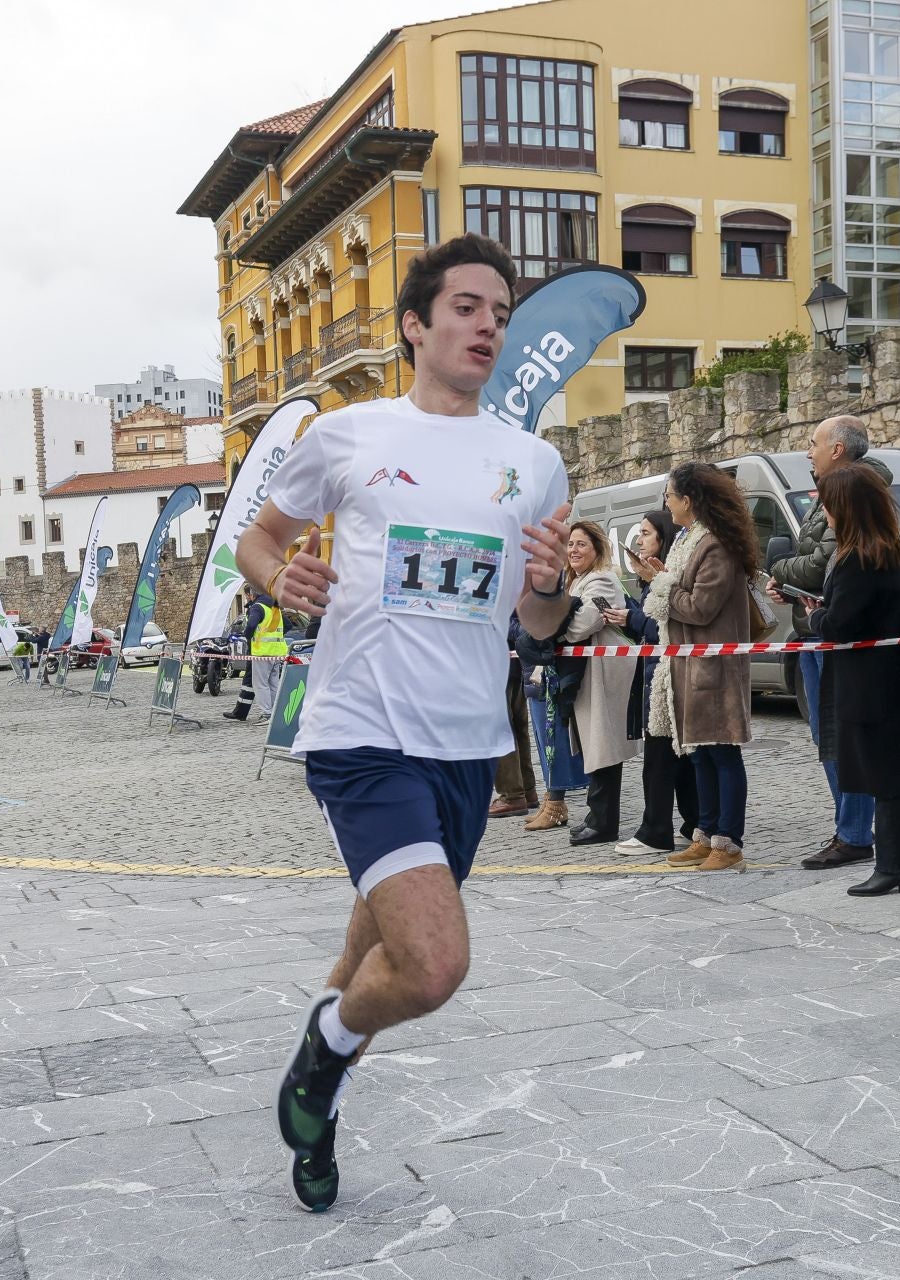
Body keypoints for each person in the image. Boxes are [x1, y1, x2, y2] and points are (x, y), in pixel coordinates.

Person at [233, 233, 572, 1214]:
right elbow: (261, 540)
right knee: (431, 964)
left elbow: (534, 617)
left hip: (468, 746)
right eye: (467, 306)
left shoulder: (533, 463)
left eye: (501, 313)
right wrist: (280, 578)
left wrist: (551, 584)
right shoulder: (350, 435)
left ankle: (321, 1073)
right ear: (416, 324)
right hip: (361, 730)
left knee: (366, 959)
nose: (488, 326)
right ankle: (326, 1054)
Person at [808, 465, 900, 896]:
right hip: (883, 680)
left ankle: (893, 865)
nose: (823, 510)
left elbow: (842, 622)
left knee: (888, 777)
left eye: (828, 502)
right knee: (892, 775)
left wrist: (815, 614)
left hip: (875, 685)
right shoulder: (880, 550)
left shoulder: (860, 557)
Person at [766, 415, 883, 871]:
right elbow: (813, 563)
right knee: (826, 737)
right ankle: (847, 828)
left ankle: (855, 834)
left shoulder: (853, 489)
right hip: (814, 628)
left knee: (842, 738)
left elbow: (820, 562)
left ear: (837, 449)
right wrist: (793, 586)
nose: (807, 452)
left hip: (833, 634)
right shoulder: (828, 490)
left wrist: (780, 572)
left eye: (813, 443)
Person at [649, 461, 757, 873]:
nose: (667, 503)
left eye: (670, 496)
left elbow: (700, 606)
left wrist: (663, 586)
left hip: (714, 666)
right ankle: (707, 834)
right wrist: (664, 579)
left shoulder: (714, 544)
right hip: (689, 665)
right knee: (699, 754)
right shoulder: (687, 540)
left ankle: (729, 842)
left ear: (688, 501)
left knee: (722, 753)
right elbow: (683, 590)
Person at [603, 509, 699, 855]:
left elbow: (664, 627)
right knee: (677, 758)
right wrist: (628, 617)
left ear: (664, 539)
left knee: (661, 759)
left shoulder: (668, 576)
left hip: (667, 677)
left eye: (646, 533)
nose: (639, 540)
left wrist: (634, 618)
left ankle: (655, 830)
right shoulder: (650, 579)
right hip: (656, 675)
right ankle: (693, 823)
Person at [560, 520, 641, 845]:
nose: (573, 550)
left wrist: (557, 624)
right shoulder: (579, 580)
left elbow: (580, 626)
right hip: (588, 672)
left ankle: (604, 822)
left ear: (596, 548)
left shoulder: (602, 580)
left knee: (603, 745)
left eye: (581, 544)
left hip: (605, 672)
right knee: (593, 743)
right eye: (570, 544)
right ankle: (597, 816)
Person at [488, 613, 540, 820]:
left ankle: (512, 795)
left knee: (500, 729)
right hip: (514, 663)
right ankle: (526, 790)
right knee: (517, 728)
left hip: (500, 662)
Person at [223, 589, 284, 722]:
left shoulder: (258, 607)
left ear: (252, 594)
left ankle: (267, 713)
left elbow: (251, 625)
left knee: (260, 684)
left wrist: (248, 635)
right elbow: (287, 625)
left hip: (262, 652)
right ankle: (274, 711)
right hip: (276, 652)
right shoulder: (275, 607)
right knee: (273, 683)